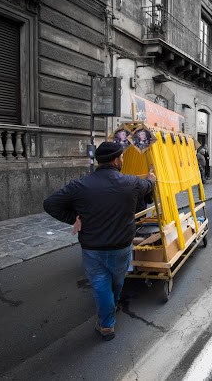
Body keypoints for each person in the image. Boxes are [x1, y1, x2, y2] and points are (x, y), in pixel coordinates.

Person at [43, 142, 156, 341]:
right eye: (121, 157)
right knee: (117, 281)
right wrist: (152, 179)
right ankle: (107, 324)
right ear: (115, 160)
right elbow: (149, 186)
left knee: (100, 284)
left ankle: (107, 320)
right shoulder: (131, 183)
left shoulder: (80, 185)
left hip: (92, 247)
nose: (122, 160)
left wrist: (73, 218)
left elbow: (50, 204)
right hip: (121, 246)